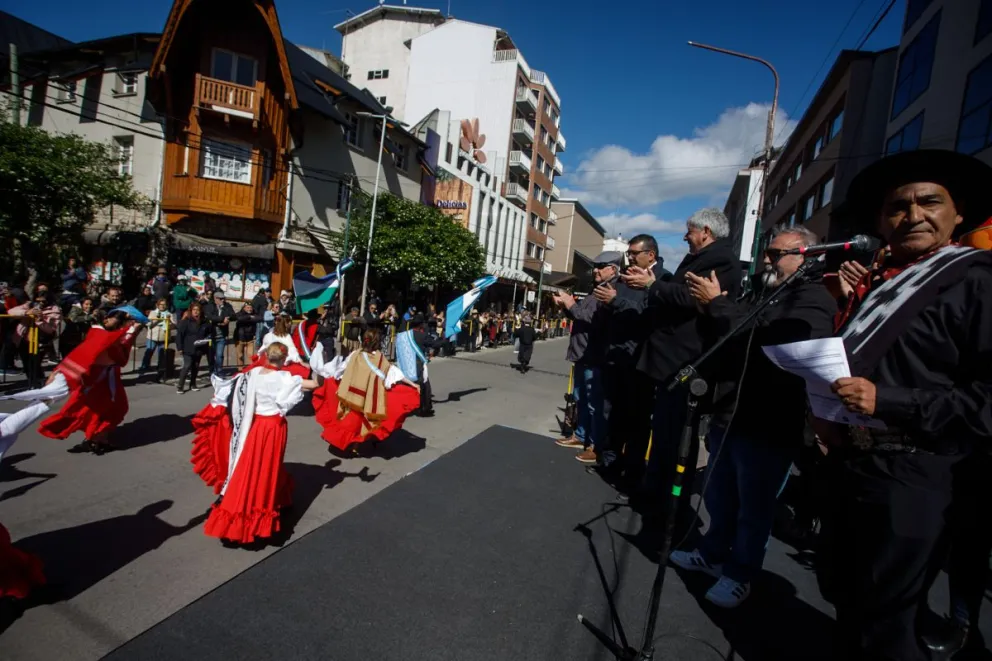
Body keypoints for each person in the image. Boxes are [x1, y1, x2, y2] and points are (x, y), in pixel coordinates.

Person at [814, 149, 992, 661]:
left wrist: (887, 400)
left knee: (888, 623)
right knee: (843, 593)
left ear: (958, 213)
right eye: (898, 207)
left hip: (916, 471)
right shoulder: (878, 285)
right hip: (853, 463)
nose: (913, 215)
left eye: (930, 202)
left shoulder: (975, 279)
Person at [669, 226, 835, 608]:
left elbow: (766, 339)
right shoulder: (763, 292)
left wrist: (719, 305)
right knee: (719, 495)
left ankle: (740, 573)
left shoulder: (813, 299)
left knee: (754, 508)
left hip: (770, 423)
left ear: (807, 255)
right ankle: (711, 554)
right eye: (767, 252)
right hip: (731, 413)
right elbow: (734, 330)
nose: (767, 260)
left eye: (777, 254)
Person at [621, 208, 742, 522]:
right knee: (663, 435)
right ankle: (656, 493)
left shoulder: (721, 260)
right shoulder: (698, 258)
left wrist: (653, 286)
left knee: (676, 441)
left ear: (704, 231)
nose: (685, 237)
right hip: (669, 361)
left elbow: (692, 298)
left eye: (689, 232)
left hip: (686, 362)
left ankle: (669, 506)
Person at [199, 342, 319, 545]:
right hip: (273, 428)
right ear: (283, 359)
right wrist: (316, 365)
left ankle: (245, 505)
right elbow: (315, 384)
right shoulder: (285, 378)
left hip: (254, 425)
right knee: (266, 468)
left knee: (249, 466)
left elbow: (229, 389)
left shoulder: (251, 375)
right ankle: (258, 510)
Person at [593, 234, 669, 488]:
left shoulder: (662, 280)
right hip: (615, 359)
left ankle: (633, 472)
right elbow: (613, 311)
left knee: (637, 421)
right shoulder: (624, 278)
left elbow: (650, 317)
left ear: (651, 255)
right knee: (614, 415)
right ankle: (610, 463)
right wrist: (607, 302)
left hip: (640, 363)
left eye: (635, 253)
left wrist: (616, 301)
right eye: (629, 253)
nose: (631, 258)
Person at [37, 308, 144, 454]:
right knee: (90, 409)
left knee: (111, 409)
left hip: (108, 377)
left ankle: (98, 439)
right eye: (118, 320)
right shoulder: (101, 334)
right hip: (95, 378)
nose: (121, 324)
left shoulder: (114, 335)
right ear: (106, 319)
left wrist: (131, 330)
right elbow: (81, 355)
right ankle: (96, 439)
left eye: (123, 321)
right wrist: (59, 371)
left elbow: (120, 354)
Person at [552, 252, 619, 469]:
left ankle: (595, 445)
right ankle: (580, 436)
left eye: (601, 266)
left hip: (595, 357)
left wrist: (570, 303)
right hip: (582, 355)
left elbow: (592, 319)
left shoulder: (609, 292)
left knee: (594, 405)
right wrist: (566, 306)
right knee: (581, 399)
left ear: (613, 269)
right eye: (595, 266)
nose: (596, 270)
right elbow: (581, 316)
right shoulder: (596, 290)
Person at [311, 327, 421, 454]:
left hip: (352, 395)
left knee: (349, 422)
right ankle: (356, 445)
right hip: (369, 398)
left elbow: (341, 370)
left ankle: (347, 443)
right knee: (362, 423)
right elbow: (395, 374)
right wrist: (412, 384)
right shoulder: (381, 359)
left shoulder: (355, 354)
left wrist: (332, 379)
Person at [254, 313, 310, 379]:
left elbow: (262, 350)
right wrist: (301, 361)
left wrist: (259, 358)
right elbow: (292, 351)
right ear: (287, 324)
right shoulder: (286, 336)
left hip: (268, 361)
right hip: (280, 362)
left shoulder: (268, 335)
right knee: (303, 372)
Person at [176, 302, 211, 394]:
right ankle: (180, 385)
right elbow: (179, 335)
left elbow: (209, 332)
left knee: (195, 366)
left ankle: (193, 384)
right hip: (187, 347)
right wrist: (179, 347)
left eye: (197, 310)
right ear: (191, 311)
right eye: (194, 310)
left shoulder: (204, 321)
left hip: (199, 347)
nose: (196, 312)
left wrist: (206, 340)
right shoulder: (186, 321)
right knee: (187, 365)